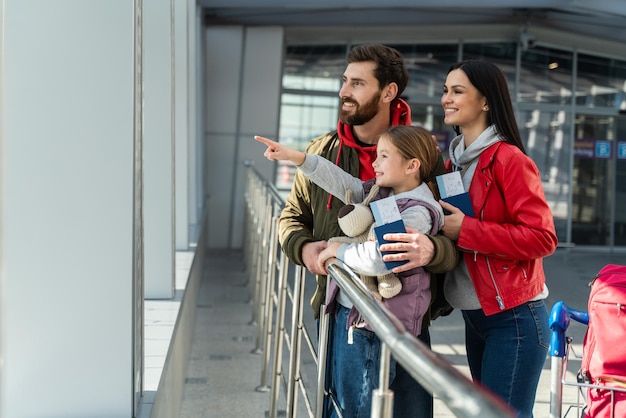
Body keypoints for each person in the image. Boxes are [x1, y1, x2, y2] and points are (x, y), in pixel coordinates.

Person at [275, 43, 458, 418]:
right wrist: (305, 249)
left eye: (357, 83)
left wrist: (433, 251)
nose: (344, 91)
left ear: (388, 91)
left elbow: (452, 232)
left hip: (406, 316)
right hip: (342, 311)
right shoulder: (322, 150)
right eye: (345, 81)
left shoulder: (425, 156)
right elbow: (291, 218)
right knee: (346, 406)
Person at [437, 58, 558, 418]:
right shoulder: (455, 163)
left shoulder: (509, 159)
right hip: (477, 316)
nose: (447, 98)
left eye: (458, 91)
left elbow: (542, 238)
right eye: (446, 90)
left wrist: (467, 231)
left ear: (486, 101)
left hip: (514, 317)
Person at [256, 124, 444, 335]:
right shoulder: (383, 192)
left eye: (383, 156)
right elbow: (342, 182)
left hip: (384, 324)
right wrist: (298, 157)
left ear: (411, 166)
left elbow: (381, 259)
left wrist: (337, 250)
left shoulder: (417, 212)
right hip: (366, 314)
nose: (375, 163)